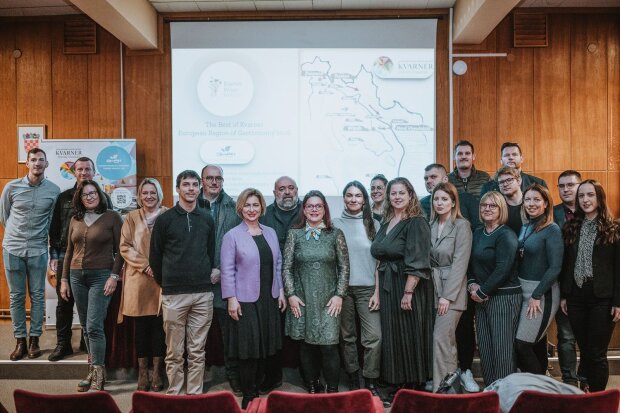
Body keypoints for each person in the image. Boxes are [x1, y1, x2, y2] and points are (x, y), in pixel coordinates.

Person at [149, 170, 216, 395]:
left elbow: (210, 252)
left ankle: (194, 394)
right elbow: (155, 257)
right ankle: (175, 394)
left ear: (199, 188)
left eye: (194, 185)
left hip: (202, 294)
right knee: (174, 352)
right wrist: (167, 283)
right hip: (173, 294)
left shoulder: (207, 218)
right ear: (177, 189)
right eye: (186, 184)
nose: (191, 189)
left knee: (197, 351)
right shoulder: (164, 220)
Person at [220, 188, 286, 408]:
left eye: (255, 205)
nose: (251, 209)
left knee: (265, 346)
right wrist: (231, 298)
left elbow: (278, 264)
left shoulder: (270, 232)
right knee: (248, 349)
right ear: (240, 208)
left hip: (269, 297)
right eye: (247, 205)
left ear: (262, 207)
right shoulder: (232, 236)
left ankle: (259, 384)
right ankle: (249, 394)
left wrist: (281, 291)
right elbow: (227, 269)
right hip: (245, 300)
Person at [283, 190, 350, 393]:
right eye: (310, 206)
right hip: (301, 299)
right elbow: (286, 267)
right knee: (306, 345)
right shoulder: (294, 234)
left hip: (329, 300)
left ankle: (332, 389)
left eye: (318, 206)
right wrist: (291, 295)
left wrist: (339, 295)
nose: (314, 209)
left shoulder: (335, 234)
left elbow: (344, 268)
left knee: (329, 346)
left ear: (324, 209)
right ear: (304, 210)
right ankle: (312, 385)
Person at [59, 180, 123, 391]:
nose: (90, 197)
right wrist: (64, 279)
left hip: (101, 276)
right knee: (86, 327)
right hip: (76, 276)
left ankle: (99, 374)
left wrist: (114, 276)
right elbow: (69, 251)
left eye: (93, 192)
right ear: (80, 198)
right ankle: (92, 370)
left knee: (94, 326)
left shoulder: (112, 217)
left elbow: (121, 250)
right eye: (85, 194)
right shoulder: (75, 219)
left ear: (99, 194)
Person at [370, 177, 433, 390]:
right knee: (393, 334)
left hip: (408, 285)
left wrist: (408, 292)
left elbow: (418, 260)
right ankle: (396, 382)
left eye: (401, 193)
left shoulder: (417, 222)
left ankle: (412, 384)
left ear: (411, 195)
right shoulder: (386, 222)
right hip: (388, 285)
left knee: (409, 333)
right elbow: (380, 257)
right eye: (393, 193)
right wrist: (377, 291)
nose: (397, 197)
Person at [48, 157, 112, 361]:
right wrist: (54, 256)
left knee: (93, 310)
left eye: (87, 169)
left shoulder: (103, 197)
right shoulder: (63, 197)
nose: (84, 172)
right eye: (80, 169)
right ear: (74, 172)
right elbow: (55, 228)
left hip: (97, 261)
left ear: (94, 172)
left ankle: (88, 343)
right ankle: (63, 344)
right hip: (67, 256)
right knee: (64, 303)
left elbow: (111, 230)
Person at [560, 179, 620, 392]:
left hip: (602, 298)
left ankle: (598, 399)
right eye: (581, 196)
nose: (585, 199)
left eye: (590, 195)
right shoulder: (571, 227)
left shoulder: (613, 229)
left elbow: (618, 267)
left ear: (599, 198)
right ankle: (587, 389)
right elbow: (567, 264)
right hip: (576, 297)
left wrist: (618, 301)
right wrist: (565, 295)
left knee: (596, 353)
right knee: (584, 349)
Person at [0, 148, 60, 361]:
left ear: (46, 164)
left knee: (37, 295)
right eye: (33, 159)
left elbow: (52, 222)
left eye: (41, 160)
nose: (37, 163)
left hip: (38, 250)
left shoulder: (54, 190)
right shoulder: (11, 187)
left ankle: (34, 339)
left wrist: (47, 246)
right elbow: (4, 216)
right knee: (16, 296)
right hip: (12, 249)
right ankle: (20, 341)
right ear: (27, 163)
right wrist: (16, 235)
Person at [332, 181, 388, 405]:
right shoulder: (334, 224)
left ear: (364, 199)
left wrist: (377, 292)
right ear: (344, 198)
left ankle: (370, 380)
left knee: (374, 337)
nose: (353, 199)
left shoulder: (374, 223)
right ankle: (354, 378)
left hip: (368, 289)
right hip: (342, 289)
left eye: (357, 195)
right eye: (349, 195)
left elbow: (379, 261)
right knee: (347, 337)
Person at [118, 178, 168, 391]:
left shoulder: (168, 214)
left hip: (162, 278)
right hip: (138, 278)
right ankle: (142, 372)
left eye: (152, 192)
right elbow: (125, 246)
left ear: (159, 194)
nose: (149, 196)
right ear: (139, 196)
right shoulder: (131, 217)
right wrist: (146, 265)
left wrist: (159, 267)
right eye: (145, 193)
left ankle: (157, 372)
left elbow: (174, 244)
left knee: (159, 327)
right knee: (141, 328)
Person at [468, 191, 521, 386]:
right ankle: (491, 390)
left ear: (501, 209)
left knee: (502, 349)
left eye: (493, 206)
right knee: (485, 348)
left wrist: (482, 292)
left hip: (503, 298)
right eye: (484, 205)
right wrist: (472, 284)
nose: (487, 209)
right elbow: (470, 264)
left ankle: (505, 391)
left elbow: (503, 269)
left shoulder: (506, 235)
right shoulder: (477, 232)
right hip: (480, 297)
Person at [198, 164, 242, 393]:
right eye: (210, 178)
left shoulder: (234, 208)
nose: (214, 182)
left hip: (225, 282)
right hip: (197, 282)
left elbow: (241, 246)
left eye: (218, 178)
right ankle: (197, 376)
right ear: (202, 180)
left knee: (229, 335)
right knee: (197, 335)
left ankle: (233, 375)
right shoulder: (190, 204)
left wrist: (221, 270)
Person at [259, 176, 302, 393]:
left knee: (303, 329)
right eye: (282, 189)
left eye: (291, 188)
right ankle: (272, 377)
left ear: (297, 190)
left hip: (302, 280)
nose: (287, 192)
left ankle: (308, 375)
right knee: (273, 331)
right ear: (275, 192)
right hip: (271, 282)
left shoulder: (308, 211)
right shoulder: (264, 215)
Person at [514, 184, 563, 375]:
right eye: (527, 199)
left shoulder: (552, 229)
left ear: (546, 203)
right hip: (523, 290)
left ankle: (539, 387)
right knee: (537, 343)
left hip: (542, 293)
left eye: (536, 199)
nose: (531, 203)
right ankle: (539, 385)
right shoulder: (526, 226)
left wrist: (536, 295)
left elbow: (555, 267)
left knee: (522, 344)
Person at [429, 182, 472, 392]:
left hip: (451, 292)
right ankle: (450, 388)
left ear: (453, 202)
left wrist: (447, 296)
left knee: (441, 338)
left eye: (444, 199)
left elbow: (460, 263)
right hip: (432, 287)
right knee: (446, 341)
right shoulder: (430, 224)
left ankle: (441, 390)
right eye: (436, 199)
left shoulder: (462, 225)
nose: (439, 203)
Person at [552, 170, 582, 386]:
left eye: (570, 185)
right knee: (566, 337)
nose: (566, 189)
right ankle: (570, 382)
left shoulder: (592, 211)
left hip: (590, 286)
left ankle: (587, 379)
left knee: (589, 338)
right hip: (562, 284)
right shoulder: (552, 213)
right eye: (561, 186)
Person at [421, 163, 480, 229]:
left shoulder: (466, 199)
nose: (428, 181)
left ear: (445, 179)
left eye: (433, 177)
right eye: (426, 178)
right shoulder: (421, 204)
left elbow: (479, 227)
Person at [480, 142, 547, 196]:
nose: (511, 157)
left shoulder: (539, 183)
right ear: (501, 161)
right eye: (506, 155)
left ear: (521, 159)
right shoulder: (488, 187)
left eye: (514, 154)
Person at [496, 166, 523, 235]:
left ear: (519, 181)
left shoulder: (530, 203)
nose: (505, 184)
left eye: (509, 180)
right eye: (501, 182)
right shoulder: (496, 207)